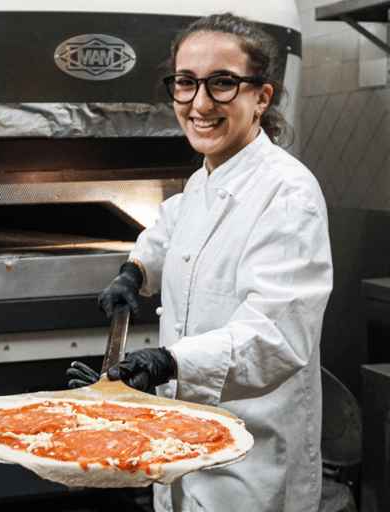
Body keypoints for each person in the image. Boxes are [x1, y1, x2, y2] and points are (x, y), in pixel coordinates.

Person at [67, 13, 333, 512]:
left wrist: (166, 362)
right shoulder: (205, 178)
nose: (200, 103)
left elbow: (275, 335)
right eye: (186, 83)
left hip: (250, 462)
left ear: (262, 97)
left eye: (223, 83)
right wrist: (136, 271)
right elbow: (172, 227)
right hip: (183, 441)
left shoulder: (287, 193)